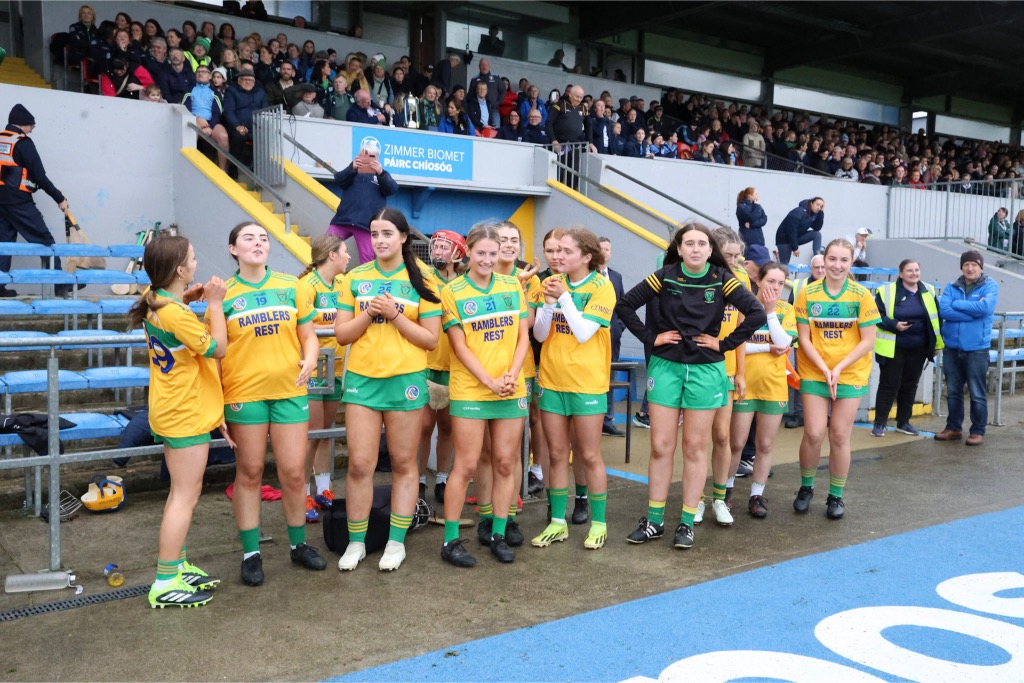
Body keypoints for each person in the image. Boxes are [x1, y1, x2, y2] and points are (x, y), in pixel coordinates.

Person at [615, 223, 765, 549]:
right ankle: (654, 521)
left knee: (695, 447)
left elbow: (756, 313)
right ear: (679, 249)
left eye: (701, 244)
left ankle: (685, 522)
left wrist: (723, 344)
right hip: (666, 367)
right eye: (689, 243)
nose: (695, 249)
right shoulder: (665, 276)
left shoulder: (722, 279)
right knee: (660, 446)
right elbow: (624, 305)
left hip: (705, 370)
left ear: (710, 250)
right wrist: (651, 338)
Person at [215, 222, 326, 586]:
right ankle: (251, 554)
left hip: (289, 391)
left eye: (263, 238)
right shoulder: (223, 295)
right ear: (233, 249)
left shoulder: (291, 285)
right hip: (243, 394)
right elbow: (216, 354)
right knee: (250, 472)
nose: (258, 243)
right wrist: (217, 405)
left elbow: (309, 336)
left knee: (293, 472)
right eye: (248, 238)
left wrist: (311, 358)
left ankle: (298, 545)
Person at [334, 208, 442, 572]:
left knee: (403, 463)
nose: (379, 240)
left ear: (403, 237)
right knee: (360, 464)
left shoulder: (424, 278)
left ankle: (396, 542)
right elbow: (342, 334)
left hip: (405, 382)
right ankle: (356, 542)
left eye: (387, 233)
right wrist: (370, 313)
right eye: (374, 233)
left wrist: (395, 315)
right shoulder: (356, 277)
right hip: (362, 381)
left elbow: (430, 339)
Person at [127, 235, 229, 608]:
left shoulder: (155, 299)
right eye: (193, 259)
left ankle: (177, 565)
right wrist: (214, 303)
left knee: (180, 492)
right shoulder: (175, 314)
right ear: (180, 270)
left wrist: (187, 298)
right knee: (185, 495)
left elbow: (174, 319)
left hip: (171, 408)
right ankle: (166, 579)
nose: (197, 263)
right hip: (185, 412)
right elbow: (219, 347)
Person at [439, 223, 531, 566]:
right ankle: (450, 540)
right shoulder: (454, 291)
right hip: (471, 390)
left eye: (493, 253)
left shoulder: (512, 285)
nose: (488, 259)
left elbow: (523, 337)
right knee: (465, 465)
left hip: (509, 387)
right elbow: (460, 347)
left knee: (506, 462)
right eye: (481, 253)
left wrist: (511, 375)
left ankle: (499, 533)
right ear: (468, 252)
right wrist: (489, 382)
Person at [532, 228, 616, 550]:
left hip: (587, 383)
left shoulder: (601, 287)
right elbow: (540, 335)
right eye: (557, 251)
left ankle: (599, 523)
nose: (559, 256)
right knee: (556, 454)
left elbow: (582, 333)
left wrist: (563, 298)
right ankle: (557, 522)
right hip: (552, 380)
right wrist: (548, 304)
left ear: (586, 256)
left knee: (589, 454)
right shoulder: (552, 283)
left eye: (567, 251)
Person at [793, 239, 880, 521]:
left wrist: (839, 368)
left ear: (851, 263)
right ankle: (806, 487)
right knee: (814, 432)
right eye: (832, 259)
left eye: (844, 260)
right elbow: (804, 339)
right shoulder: (808, 293)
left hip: (850, 371)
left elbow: (868, 341)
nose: (837, 265)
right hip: (815, 370)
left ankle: (836, 495)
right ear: (824, 260)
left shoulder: (861, 295)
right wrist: (824, 368)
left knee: (840, 435)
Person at [728, 262, 796, 518]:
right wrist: (766, 347)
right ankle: (726, 490)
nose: (775, 287)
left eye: (780, 283)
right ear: (758, 281)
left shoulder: (785, 310)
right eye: (770, 282)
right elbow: (735, 344)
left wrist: (770, 312)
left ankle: (756, 495)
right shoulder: (743, 306)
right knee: (736, 443)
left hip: (773, 386)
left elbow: (784, 342)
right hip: (744, 385)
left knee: (765, 445)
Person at [296, 235, 350, 523]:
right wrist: (334, 327)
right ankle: (302, 493)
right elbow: (301, 327)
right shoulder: (306, 286)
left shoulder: (343, 283)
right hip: (314, 370)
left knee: (326, 431)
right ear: (332, 255)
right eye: (345, 252)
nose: (349, 257)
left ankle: (324, 489)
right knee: (312, 434)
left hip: (337, 369)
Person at [0, 104, 73, 298]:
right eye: (31, 125)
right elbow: (39, 176)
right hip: (18, 201)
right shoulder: (23, 143)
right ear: (22, 124)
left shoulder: (1, 139)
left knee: (4, 242)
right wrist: (59, 198)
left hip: (2, 201)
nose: (32, 129)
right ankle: (59, 284)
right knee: (44, 240)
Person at [418, 230, 466, 506]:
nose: (437, 251)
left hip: (455, 366)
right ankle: (419, 480)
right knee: (424, 426)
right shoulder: (424, 280)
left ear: (458, 253)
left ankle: (442, 478)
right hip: (426, 363)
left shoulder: (465, 284)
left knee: (447, 426)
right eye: (435, 246)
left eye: (444, 247)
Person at [871, 259, 943, 438]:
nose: (914, 273)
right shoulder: (886, 291)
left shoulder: (928, 290)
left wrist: (935, 345)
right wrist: (894, 324)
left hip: (919, 348)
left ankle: (903, 422)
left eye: (916, 270)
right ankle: (879, 424)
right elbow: (875, 316)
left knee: (910, 385)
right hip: (893, 347)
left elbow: (936, 319)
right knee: (888, 385)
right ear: (901, 273)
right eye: (909, 270)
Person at [935, 250, 998, 446]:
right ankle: (953, 427)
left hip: (977, 348)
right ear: (961, 267)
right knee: (953, 391)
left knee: (977, 392)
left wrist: (958, 304)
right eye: (966, 265)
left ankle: (977, 431)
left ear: (981, 267)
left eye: (974, 265)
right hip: (952, 347)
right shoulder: (951, 286)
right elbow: (944, 310)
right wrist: (972, 313)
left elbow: (986, 308)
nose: (970, 268)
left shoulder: (990, 285)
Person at [326, 139, 399, 266]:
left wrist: (381, 173)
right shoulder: (352, 171)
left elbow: (392, 189)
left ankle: (367, 279)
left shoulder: (381, 175)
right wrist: (352, 167)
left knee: (367, 260)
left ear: (377, 157)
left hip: (366, 225)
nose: (368, 159)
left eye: (372, 156)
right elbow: (338, 179)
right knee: (325, 247)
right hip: (343, 220)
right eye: (365, 155)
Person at [783, 254, 825, 429]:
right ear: (810, 269)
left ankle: (826, 415)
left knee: (825, 376)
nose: (820, 270)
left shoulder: (833, 287)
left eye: (823, 267)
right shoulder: (799, 285)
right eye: (817, 267)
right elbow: (790, 311)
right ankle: (799, 415)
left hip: (826, 342)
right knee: (802, 378)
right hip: (803, 341)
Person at [598, 237, 625, 437]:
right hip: (591, 336)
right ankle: (595, 418)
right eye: (600, 249)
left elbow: (623, 305)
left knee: (611, 377)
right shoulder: (589, 276)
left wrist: (619, 327)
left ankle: (607, 420)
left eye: (607, 249)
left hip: (612, 337)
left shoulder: (616, 277)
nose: (604, 252)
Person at [182, 65, 229, 171]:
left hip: (210, 122)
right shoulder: (189, 90)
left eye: (204, 72)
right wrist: (197, 119)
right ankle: (188, 168)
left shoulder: (215, 92)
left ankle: (222, 171)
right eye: (198, 71)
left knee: (223, 136)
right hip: (194, 120)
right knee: (191, 131)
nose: (200, 73)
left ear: (209, 76)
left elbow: (217, 112)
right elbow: (185, 109)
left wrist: (210, 127)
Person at [222, 69, 268, 166]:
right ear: (239, 81)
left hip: (257, 128)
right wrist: (237, 125)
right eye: (245, 79)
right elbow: (229, 111)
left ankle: (257, 169)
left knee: (268, 137)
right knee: (238, 136)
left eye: (250, 80)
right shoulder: (231, 91)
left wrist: (262, 127)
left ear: (254, 82)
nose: (248, 82)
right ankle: (232, 168)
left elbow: (265, 111)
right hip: (237, 127)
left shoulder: (260, 93)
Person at [775, 197, 825, 265]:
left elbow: (817, 228)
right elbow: (792, 230)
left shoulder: (812, 215)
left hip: (796, 238)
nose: (819, 207)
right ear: (811, 203)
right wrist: (795, 248)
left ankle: (818, 259)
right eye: (817, 204)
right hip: (784, 240)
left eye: (821, 206)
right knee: (784, 264)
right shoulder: (798, 212)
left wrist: (821, 213)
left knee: (817, 234)